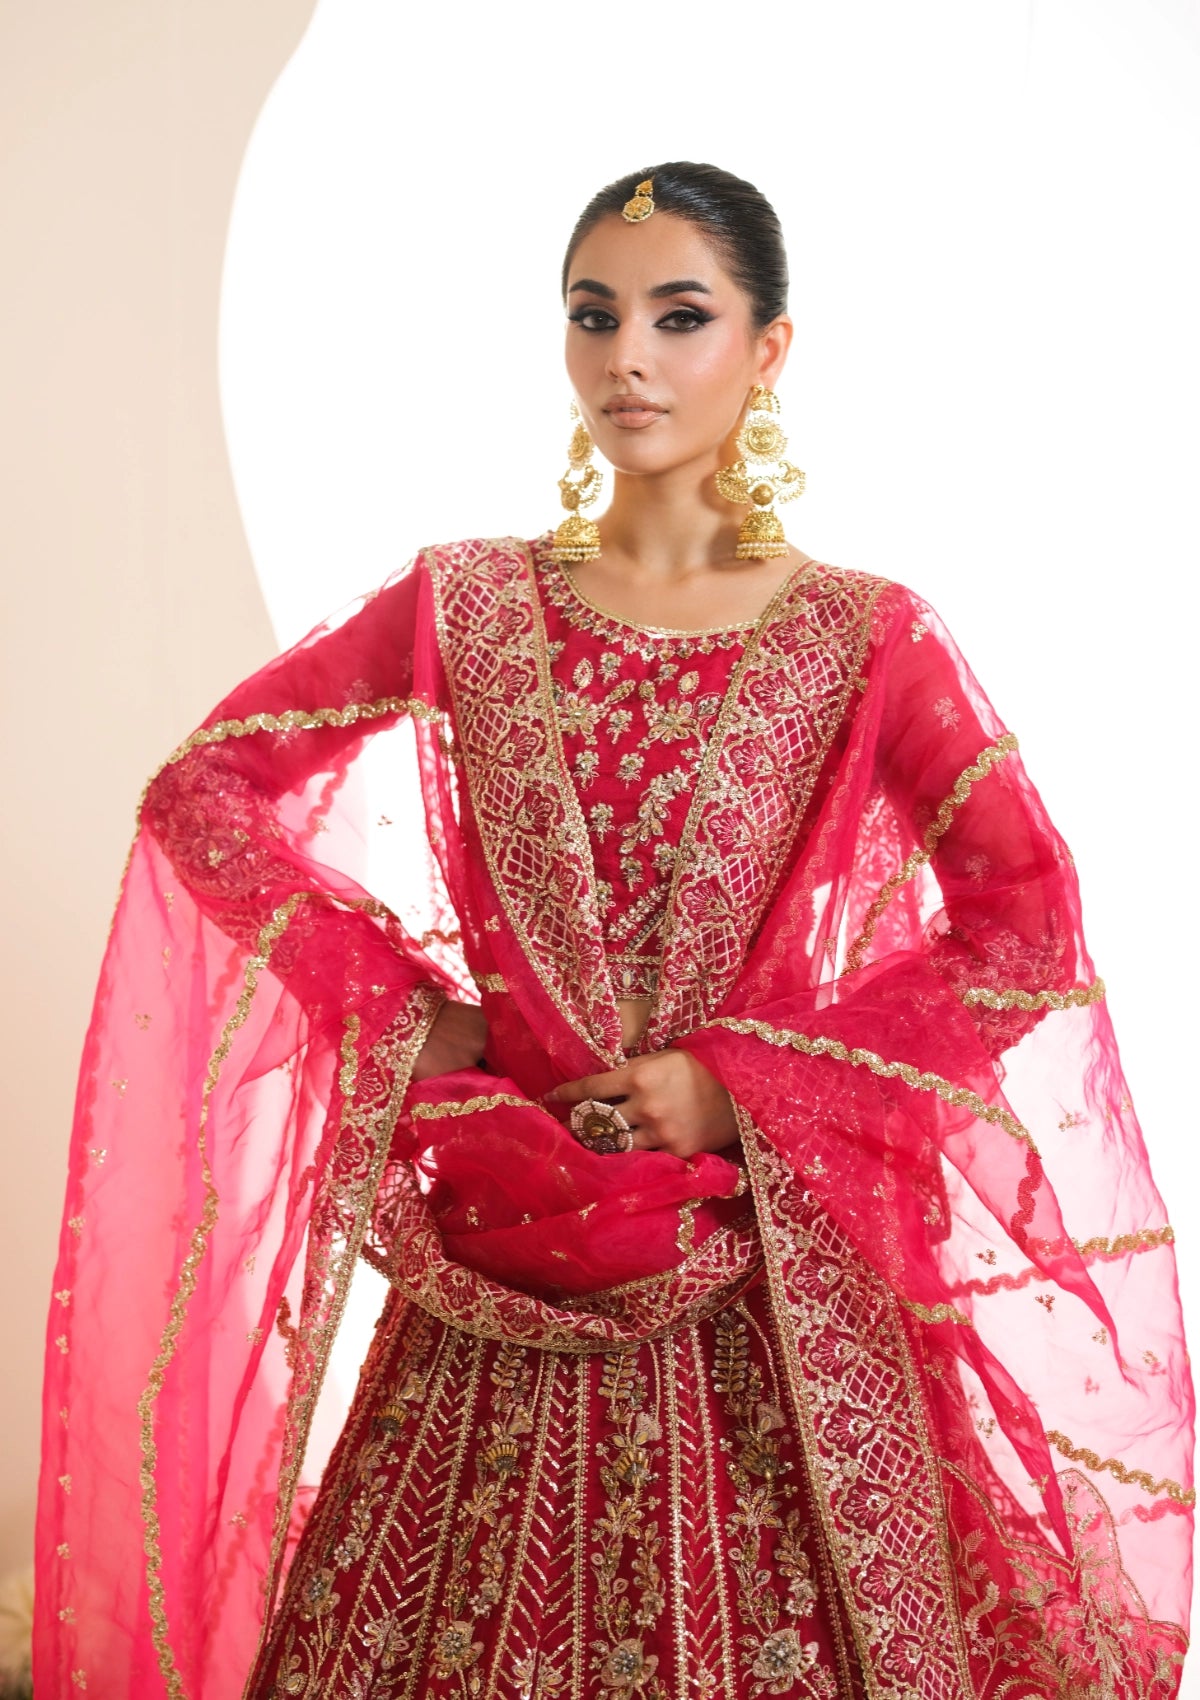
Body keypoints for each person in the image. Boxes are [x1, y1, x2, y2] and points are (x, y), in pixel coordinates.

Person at [36, 162, 1192, 1699]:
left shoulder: (864, 635)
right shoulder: (468, 605)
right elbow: (207, 791)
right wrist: (400, 1009)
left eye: (679, 317)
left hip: (766, 1283)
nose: (627, 358)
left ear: (769, 349)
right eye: (595, 316)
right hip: (503, 1263)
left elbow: (1024, 926)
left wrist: (736, 1087)